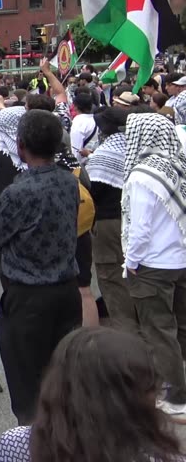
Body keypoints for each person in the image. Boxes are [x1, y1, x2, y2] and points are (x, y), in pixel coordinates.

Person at [0, 110, 81, 425]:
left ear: (21, 145)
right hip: (67, 292)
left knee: (27, 389)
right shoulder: (69, 180)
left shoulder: (19, 191)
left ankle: (35, 447)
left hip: (28, 299)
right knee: (63, 381)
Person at [0, 327, 184, 462]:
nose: (156, 400)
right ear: (122, 402)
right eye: (151, 389)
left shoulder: (15, 444)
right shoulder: (160, 457)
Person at [121, 112, 186, 420]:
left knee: (160, 331)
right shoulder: (179, 166)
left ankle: (176, 398)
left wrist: (130, 262)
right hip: (180, 257)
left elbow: (140, 228)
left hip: (152, 264)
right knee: (180, 328)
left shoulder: (142, 175)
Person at [86, 106, 132, 324]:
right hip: (141, 223)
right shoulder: (139, 148)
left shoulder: (103, 156)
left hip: (110, 224)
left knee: (112, 277)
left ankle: (127, 335)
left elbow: (92, 194)